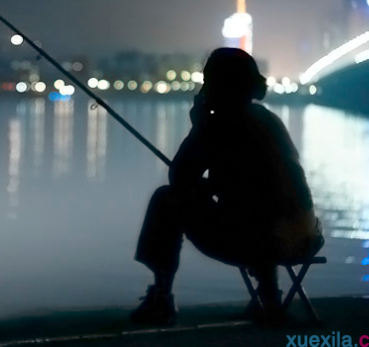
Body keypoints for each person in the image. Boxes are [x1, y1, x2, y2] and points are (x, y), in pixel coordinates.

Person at [131, 47, 324, 325]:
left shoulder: (220, 124)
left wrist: (198, 127)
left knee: (167, 199)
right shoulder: (268, 119)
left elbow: (180, 179)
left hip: (260, 243)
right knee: (260, 210)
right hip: (305, 238)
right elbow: (255, 182)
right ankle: (269, 295)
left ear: (215, 85)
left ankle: (161, 296)